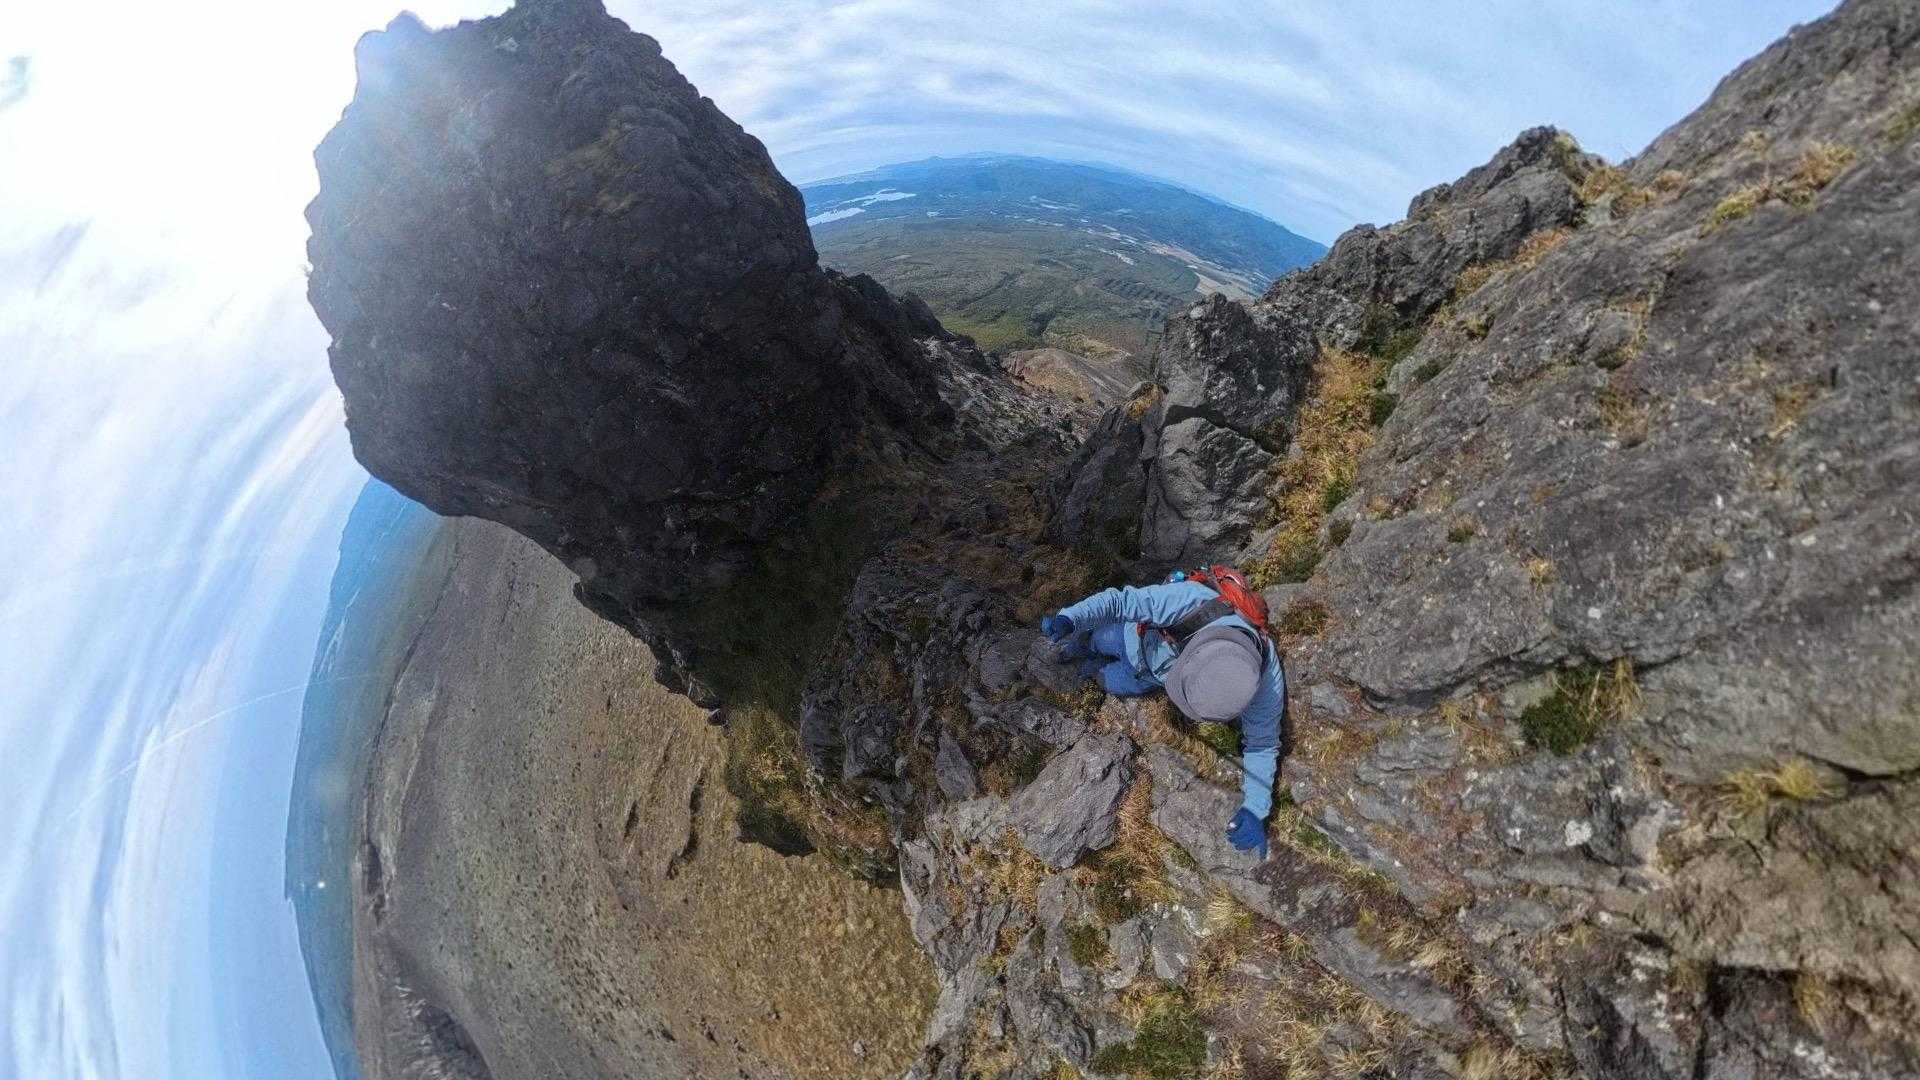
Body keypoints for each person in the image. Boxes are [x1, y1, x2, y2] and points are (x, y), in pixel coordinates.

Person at [1040, 574, 1284, 859]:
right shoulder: (1192, 602)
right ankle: (1082, 645)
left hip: (1145, 678)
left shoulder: (1264, 680)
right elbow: (1121, 603)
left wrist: (1255, 807)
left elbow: (1262, 743)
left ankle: (1090, 669)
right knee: (1099, 640)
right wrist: (1071, 618)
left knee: (1105, 679)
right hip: (1130, 636)